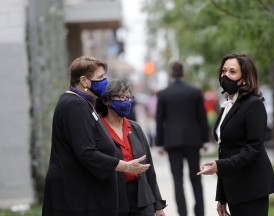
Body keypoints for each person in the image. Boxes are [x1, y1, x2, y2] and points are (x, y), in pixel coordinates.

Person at [42, 56, 150, 216]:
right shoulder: (74, 105)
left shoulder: (84, 102)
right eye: (100, 78)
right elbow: (86, 152)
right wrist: (125, 166)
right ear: (84, 80)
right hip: (73, 197)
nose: (105, 82)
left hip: (81, 193)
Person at [197, 53, 274, 216]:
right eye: (223, 71)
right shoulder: (227, 106)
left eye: (232, 72)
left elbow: (253, 148)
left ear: (245, 78)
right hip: (234, 189)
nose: (225, 75)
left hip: (252, 187)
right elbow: (224, 150)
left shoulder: (253, 105)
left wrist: (219, 166)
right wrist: (222, 197)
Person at [95, 79, 167, 216]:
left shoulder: (135, 128)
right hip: (112, 197)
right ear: (106, 100)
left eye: (128, 97)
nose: (126, 101)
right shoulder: (97, 128)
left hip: (141, 198)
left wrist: (158, 205)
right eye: (121, 97)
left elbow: (149, 169)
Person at [155, 61, 209, 216]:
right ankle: (199, 212)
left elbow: (160, 120)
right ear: (183, 72)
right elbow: (202, 117)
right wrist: (205, 140)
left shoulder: (164, 93)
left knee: (177, 180)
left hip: (172, 141)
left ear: (170, 73)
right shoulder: (194, 91)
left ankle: (182, 213)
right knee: (196, 178)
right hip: (193, 140)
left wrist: (159, 144)